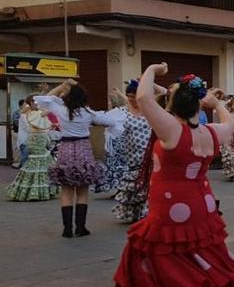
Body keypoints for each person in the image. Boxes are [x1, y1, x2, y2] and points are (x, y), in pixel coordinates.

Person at [112, 64, 234, 287]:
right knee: (205, 258)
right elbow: (230, 122)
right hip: (202, 204)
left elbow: (144, 98)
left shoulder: (171, 130)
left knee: (149, 252)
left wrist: (152, 69)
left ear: (172, 105)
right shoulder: (210, 132)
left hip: (170, 208)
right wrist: (216, 102)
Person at [36, 80, 117, 238]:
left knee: (66, 190)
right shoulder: (88, 113)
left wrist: (61, 86)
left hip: (65, 149)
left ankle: (67, 229)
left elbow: (43, 99)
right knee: (82, 191)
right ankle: (81, 227)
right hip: (83, 150)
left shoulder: (60, 110)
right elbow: (110, 122)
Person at [110, 80, 164, 223]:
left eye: (134, 95)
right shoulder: (122, 111)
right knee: (135, 184)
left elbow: (164, 93)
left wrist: (149, 82)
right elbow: (104, 119)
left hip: (151, 152)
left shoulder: (150, 108)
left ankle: (149, 213)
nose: (131, 98)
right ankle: (134, 213)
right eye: (129, 95)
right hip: (132, 154)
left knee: (150, 183)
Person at [6, 96, 58, 201]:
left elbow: (43, 120)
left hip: (38, 139)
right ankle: (36, 190)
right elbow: (45, 112)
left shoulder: (31, 113)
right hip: (35, 140)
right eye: (35, 102)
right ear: (30, 103)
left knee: (39, 163)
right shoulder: (30, 114)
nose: (37, 104)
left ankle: (38, 189)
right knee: (36, 162)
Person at [11, 99, 25, 168]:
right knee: (17, 148)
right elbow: (16, 123)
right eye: (25, 105)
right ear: (21, 106)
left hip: (23, 133)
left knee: (23, 148)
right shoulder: (16, 113)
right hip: (17, 133)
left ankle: (21, 163)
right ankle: (16, 163)